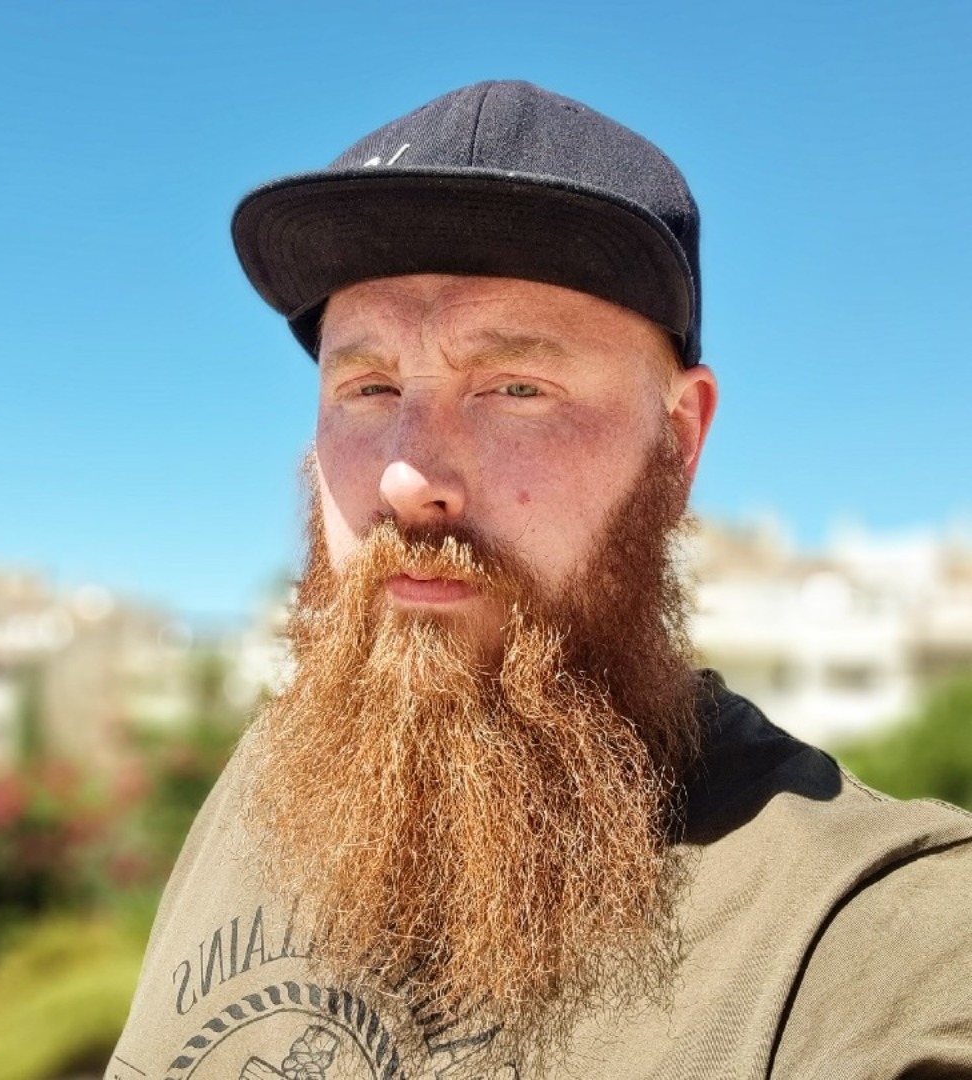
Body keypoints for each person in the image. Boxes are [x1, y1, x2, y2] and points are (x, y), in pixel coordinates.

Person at [108, 82, 972, 1079]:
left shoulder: (872, 937)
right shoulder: (275, 775)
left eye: (515, 387)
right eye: (368, 386)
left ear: (678, 442)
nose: (406, 481)